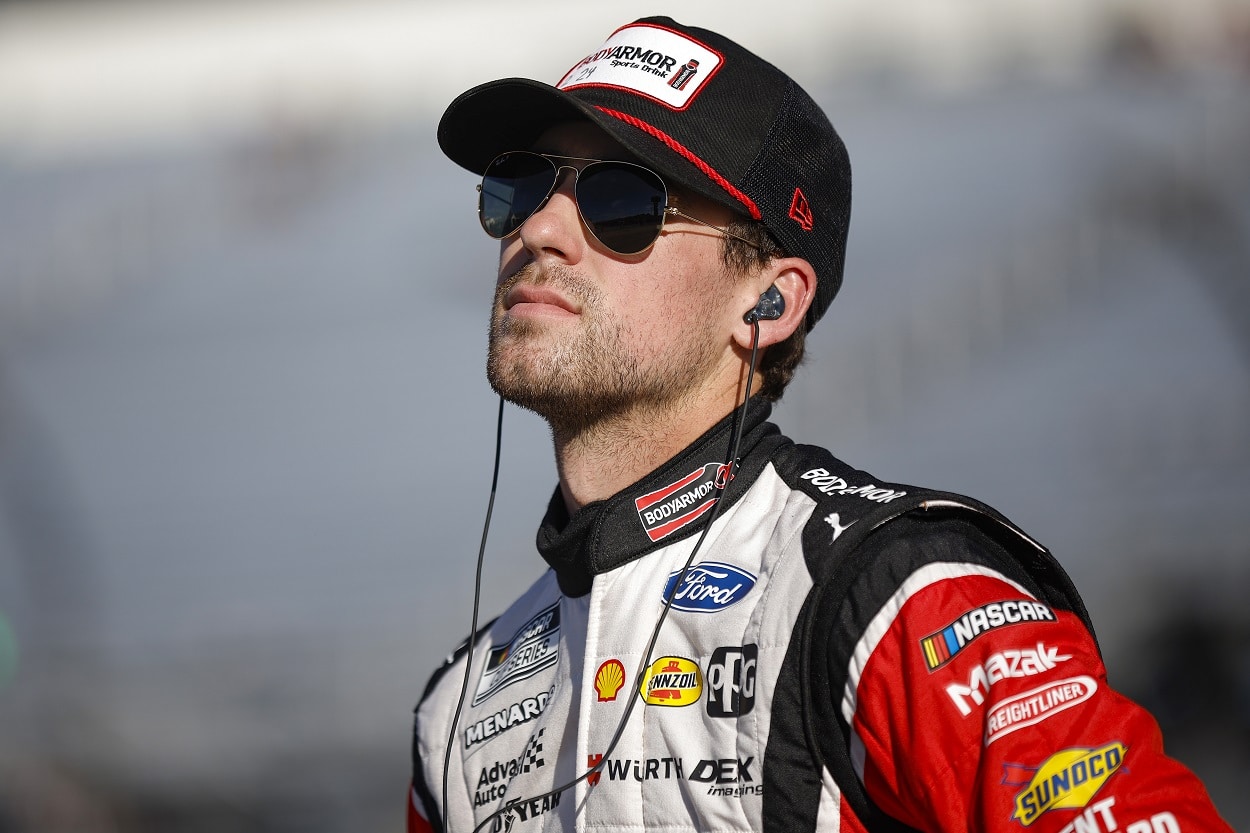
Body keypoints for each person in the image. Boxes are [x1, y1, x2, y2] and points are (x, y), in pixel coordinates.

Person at [409, 16, 1232, 833]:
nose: (539, 231)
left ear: (769, 301)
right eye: (521, 185)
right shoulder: (455, 715)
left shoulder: (902, 597)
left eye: (621, 200)